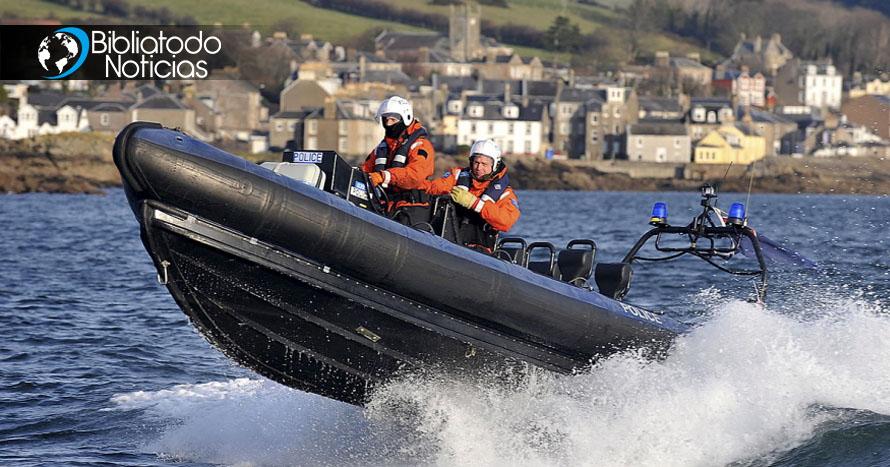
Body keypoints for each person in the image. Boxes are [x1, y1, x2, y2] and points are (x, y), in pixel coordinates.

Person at [422, 139, 520, 252]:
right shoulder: (458, 176)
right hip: (448, 241)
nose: (479, 168)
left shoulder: (504, 194)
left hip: (480, 250)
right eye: (476, 162)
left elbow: (505, 222)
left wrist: (476, 204)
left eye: (484, 164)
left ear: (494, 165)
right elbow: (434, 187)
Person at [361, 96, 435, 225]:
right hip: (386, 205)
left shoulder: (420, 145)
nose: (389, 124)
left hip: (411, 208)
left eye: (393, 120)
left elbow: (415, 175)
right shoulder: (382, 148)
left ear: (405, 118)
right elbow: (366, 169)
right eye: (386, 120)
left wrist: (384, 176)